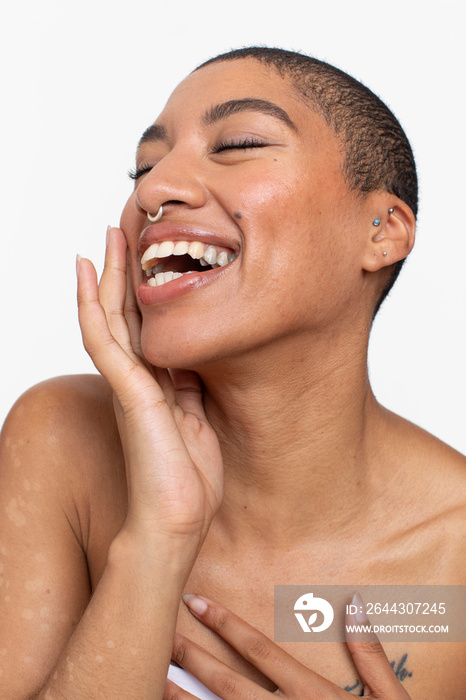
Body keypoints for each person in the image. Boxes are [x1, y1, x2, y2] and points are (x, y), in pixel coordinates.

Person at [0, 47, 464, 700]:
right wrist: (161, 535)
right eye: (144, 166)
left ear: (381, 230)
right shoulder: (61, 442)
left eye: (238, 143)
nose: (153, 191)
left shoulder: (457, 564)